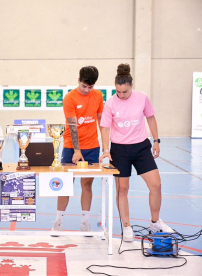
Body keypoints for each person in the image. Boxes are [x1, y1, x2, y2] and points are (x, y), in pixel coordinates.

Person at [99, 63, 173, 242]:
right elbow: (105, 128)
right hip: (119, 150)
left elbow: (150, 117)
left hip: (141, 147)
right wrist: (106, 150)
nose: (121, 95)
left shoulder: (142, 98)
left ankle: (155, 222)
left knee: (156, 185)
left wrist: (156, 141)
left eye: (124, 91)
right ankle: (126, 226)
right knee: (122, 189)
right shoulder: (110, 103)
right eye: (118, 92)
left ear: (131, 86)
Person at [52, 66, 104, 234]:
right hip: (71, 147)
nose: (87, 90)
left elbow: (101, 121)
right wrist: (76, 150)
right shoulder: (70, 98)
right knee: (66, 184)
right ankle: (58, 221)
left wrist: (105, 147)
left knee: (87, 184)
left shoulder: (98, 96)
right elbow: (72, 126)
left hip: (92, 147)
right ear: (78, 81)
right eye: (84, 86)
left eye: (90, 87)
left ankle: (85, 222)